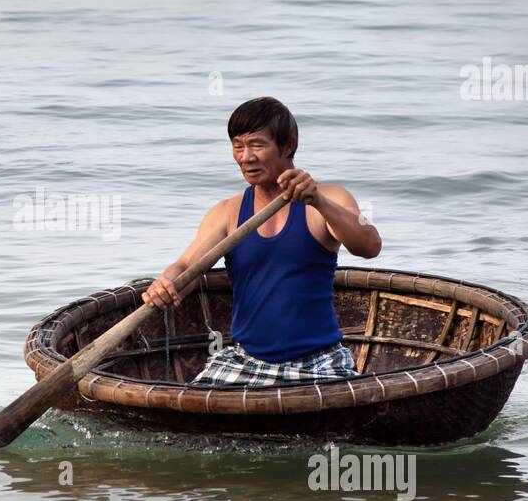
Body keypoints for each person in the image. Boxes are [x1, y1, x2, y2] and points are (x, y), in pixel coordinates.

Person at [142, 96, 382, 386]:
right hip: (246, 360)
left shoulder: (330, 198)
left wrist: (317, 201)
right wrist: (165, 283)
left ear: (289, 144)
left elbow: (369, 246)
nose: (246, 157)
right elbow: (187, 266)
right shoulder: (227, 212)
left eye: (257, 144)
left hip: (318, 360)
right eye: (238, 146)